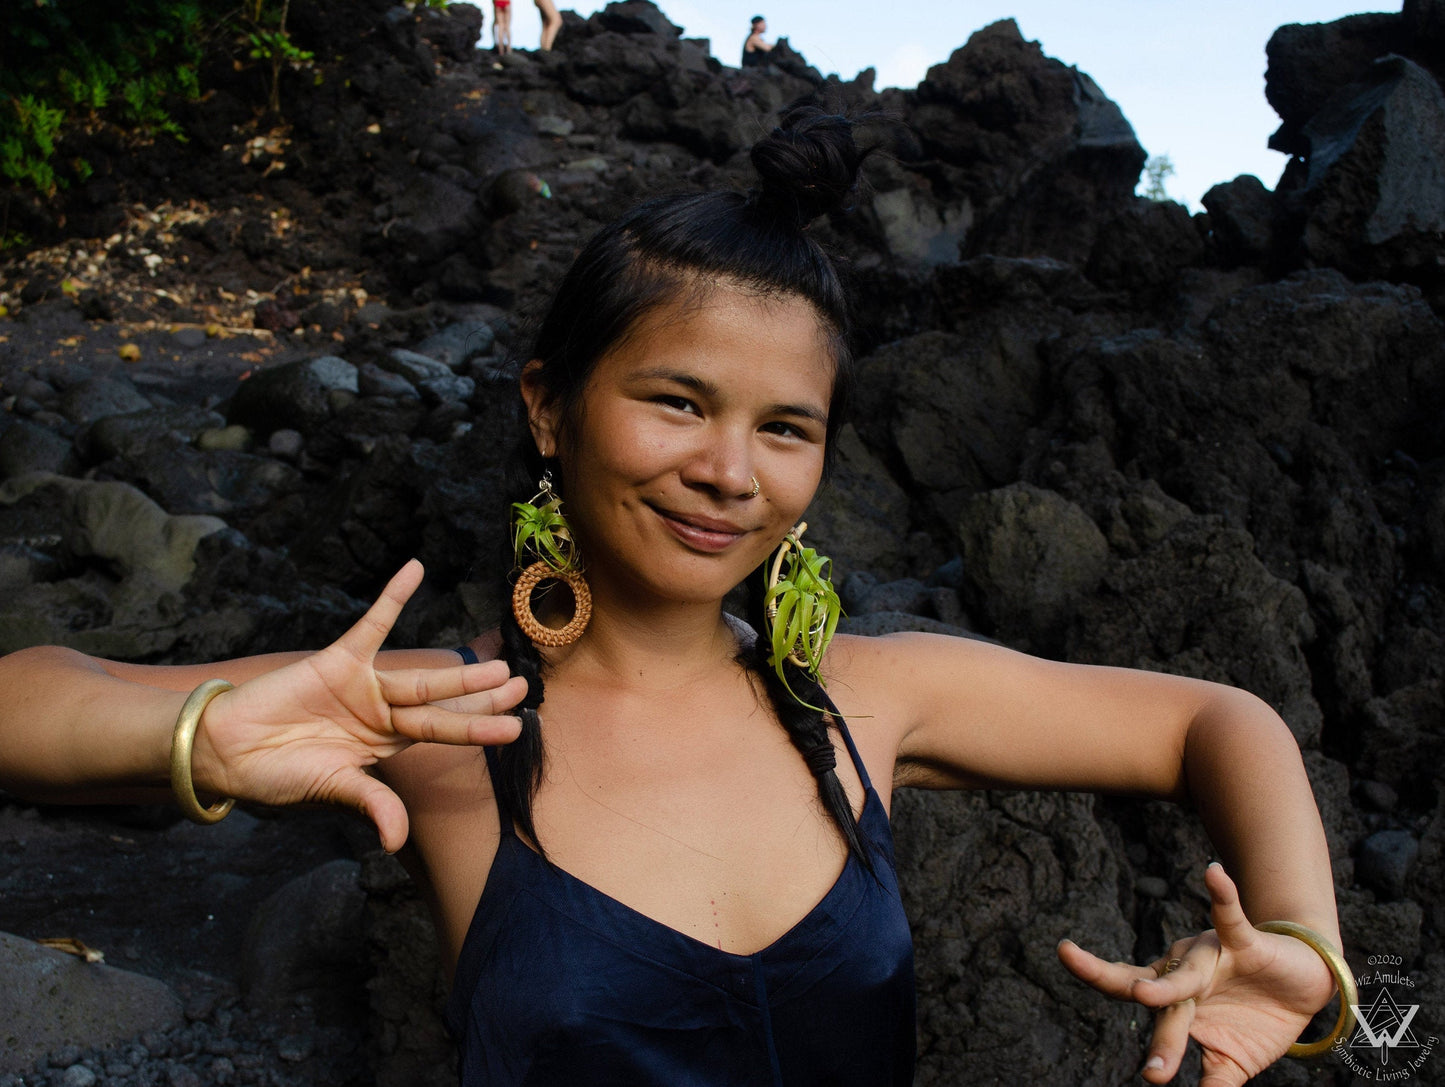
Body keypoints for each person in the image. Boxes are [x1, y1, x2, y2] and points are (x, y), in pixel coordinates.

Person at [0, 107, 1351, 1086]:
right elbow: (26, 702)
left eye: (784, 427)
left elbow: (1216, 721)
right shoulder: (438, 719)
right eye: (674, 401)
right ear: (550, 404)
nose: (725, 472)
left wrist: (1302, 944)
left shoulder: (869, 704)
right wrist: (204, 736)